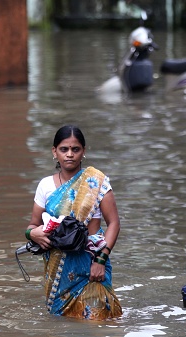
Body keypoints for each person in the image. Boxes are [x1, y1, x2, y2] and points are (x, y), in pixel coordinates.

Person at [25, 125, 122, 320]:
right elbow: (32, 226)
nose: (70, 154)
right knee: (62, 325)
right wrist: (32, 234)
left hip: (91, 263)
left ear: (83, 152)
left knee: (98, 322)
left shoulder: (97, 182)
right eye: (64, 149)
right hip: (58, 268)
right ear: (55, 152)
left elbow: (114, 223)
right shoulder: (45, 186)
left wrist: (100, 261)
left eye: (75, 149)